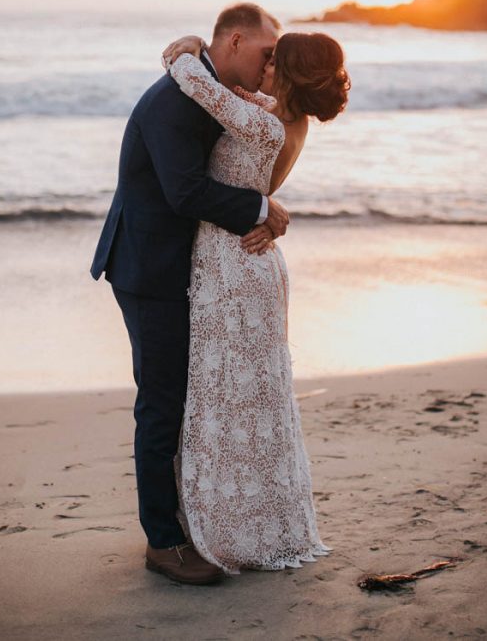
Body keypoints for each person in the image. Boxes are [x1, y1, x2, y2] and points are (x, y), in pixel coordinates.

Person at [90, 3, 290, 585]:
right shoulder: (177, 98)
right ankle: (164, 542)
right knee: (161, 404)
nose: (269, 65)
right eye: (264, 54)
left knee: (187, 401)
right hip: (149, 268)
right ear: (231, 42)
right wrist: (262, 211)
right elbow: (184, 191)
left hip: (182, 266)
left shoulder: (205, 85)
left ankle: (195, 521)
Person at [162, 28, 350, 574]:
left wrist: (188, 49)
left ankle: (236, 528)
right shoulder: (282, 118)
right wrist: (267, 206)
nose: (264, 66)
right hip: (247, 261)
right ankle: (251, 518)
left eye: (273, 60)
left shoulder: (266, 124)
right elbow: (235, 101)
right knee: (249, 400)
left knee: (230, 396)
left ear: (285, 74)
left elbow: (199, 87)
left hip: (235, 266)